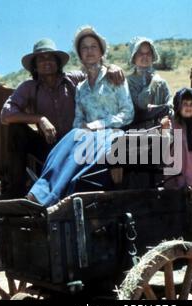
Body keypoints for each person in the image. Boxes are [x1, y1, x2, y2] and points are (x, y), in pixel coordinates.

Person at [0, 38, 125, 198]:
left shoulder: (74, 79)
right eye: (41, 58)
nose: (46, 62)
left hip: (78, 147)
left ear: (58, 62)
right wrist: (40, 119)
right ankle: (16, 193)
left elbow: (97, 73)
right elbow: (5, 115)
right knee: (16, 130)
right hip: (48, 147)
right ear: (35, 66)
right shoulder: (29, 87)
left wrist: (110, 67)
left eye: (51, 57)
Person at [27, 26, 134, 207]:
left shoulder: (115, 77)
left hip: (114, 134)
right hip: (89, 136)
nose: (89, 51)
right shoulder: (81, 88)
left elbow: (128, 113)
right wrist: (82, 129)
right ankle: (39, 191)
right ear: (80, 54)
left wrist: (97, 125)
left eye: (94, 46)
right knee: (68, 141)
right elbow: (78, 119)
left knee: (82, 143)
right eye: (84, 47)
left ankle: (53, 199)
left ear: (101, 52)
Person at [127, 37, 172, 129]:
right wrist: (153, 83)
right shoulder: (127, 83)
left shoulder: (161, 82)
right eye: (140, 53)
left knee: (178, 132)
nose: (145, 56)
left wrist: (166, 116)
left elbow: (170, 104)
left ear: (152, 56)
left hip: (160, 129)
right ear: (134, 56)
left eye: (148, 53)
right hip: (135, 133)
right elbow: (142, 104)